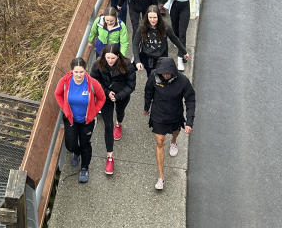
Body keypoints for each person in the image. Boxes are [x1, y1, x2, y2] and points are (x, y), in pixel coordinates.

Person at [143, 56, 195, 191]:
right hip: (158, 115)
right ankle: (161, 176)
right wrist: (146, 106)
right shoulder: (154, 77)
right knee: (160, 141)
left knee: (175, 131)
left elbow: (190, 100)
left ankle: (174, 141)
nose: (166, 75)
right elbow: (148, 91)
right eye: (163, 73)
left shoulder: (183, 81)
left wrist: (189, 121)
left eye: (168, 73)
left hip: (175, 114)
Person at [56, 57, 106, 184]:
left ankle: (84, 168)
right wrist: (65, 109)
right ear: (71, 71)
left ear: (85, 71)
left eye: (81, 72)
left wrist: (94, 112)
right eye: (76, 72)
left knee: (85, 144)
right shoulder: (65, 81)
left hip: (86, 121)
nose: (79, 75)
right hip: (71, 119)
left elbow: (102, 98)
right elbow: (58, 94)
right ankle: (76, 153)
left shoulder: (92, 83)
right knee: (70, 145)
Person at [91, 44, 136, 176]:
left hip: (121, 95)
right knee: (108, 125)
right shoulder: (98, 64)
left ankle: (119, 123)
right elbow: (94, 80)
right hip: (105, 96)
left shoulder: (127, 64)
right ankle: (110, 156)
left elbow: (131, 85)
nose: (110, 61)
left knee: (120, 112)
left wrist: (119, 95)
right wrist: (106, 92)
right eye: (108, 58)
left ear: (118, 56)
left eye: (113, 58)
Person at [134, 6, 189, 79]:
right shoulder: (142, 27)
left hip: (162, 57)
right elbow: (135, 44)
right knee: (151, 78)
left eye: (155, 17)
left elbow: (174, 39)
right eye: (150, 17)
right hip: (148, 58)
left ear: (158, 17)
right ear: (147, 17)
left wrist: (184, 52)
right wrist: (137, 61)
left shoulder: (165, 27)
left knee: (162, 78)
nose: (152, 20)